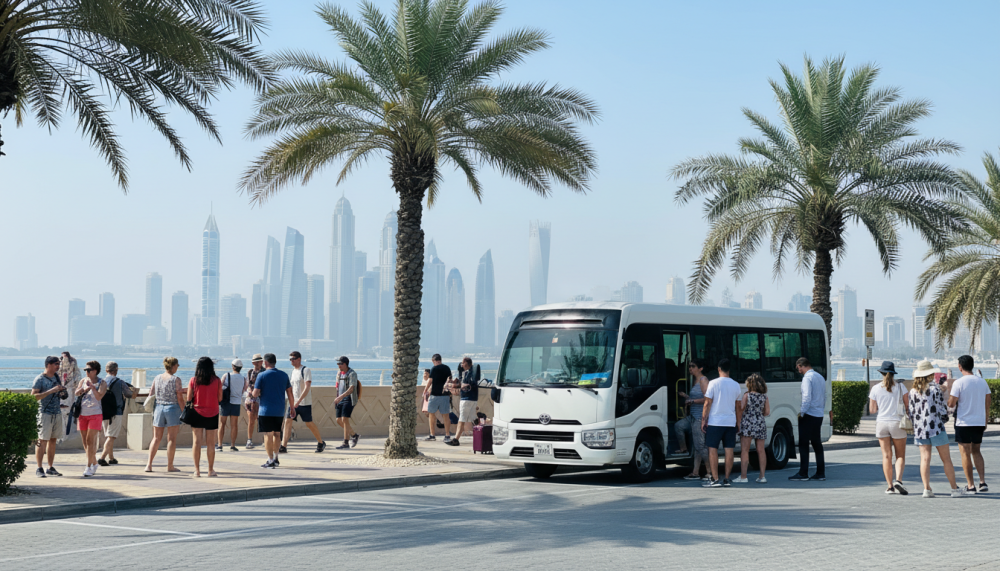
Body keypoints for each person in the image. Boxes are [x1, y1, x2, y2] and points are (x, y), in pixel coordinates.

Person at [908, 360, 962, 498]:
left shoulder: (913, 392)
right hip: (936, 427)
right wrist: (945, 418)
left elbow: (911, 412)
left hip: (921, 430)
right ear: (930, 374)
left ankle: (926, 489)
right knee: (946, 459)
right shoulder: (934, 389)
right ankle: (954, 489)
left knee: (925, 459)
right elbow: (941, 409)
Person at [949, 354, 991, 494]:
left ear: (960, 367)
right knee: (976, 451)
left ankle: (970, 485)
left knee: (965, 453)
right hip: (979, 422)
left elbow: (951, 403)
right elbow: (987, 403)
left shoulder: (958, 383)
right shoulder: (982, 382)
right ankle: (982, 482)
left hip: (963, 422)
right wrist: (985, 421)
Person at [868, 361, 909, 494]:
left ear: (881, 373)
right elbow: (908, 406)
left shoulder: (875, 388)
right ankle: (899, 481)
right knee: (900, 455)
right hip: (897, 423)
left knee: (886, 456)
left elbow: (872, 410)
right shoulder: (901, 387)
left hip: (882, 423)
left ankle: (890, 486)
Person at [701, 358, 743, 488]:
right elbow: (738, 407)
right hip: (730, 422)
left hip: (715, 422)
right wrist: (738, 423)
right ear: (729, 370)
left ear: (719, 369)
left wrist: (703, 420)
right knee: (729, 450)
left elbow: (707, 403)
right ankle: (727, 479)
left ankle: (715, 479)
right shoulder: (736, 385)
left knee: (712, 449)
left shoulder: (713, 383)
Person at [253, 353, 294, 468]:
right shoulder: (284, 375)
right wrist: (292, 407)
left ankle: (270, 459)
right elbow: (290, 393)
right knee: (277, 434)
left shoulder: (261, 375)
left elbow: (255, 394)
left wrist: (252, 392)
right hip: (279, 410)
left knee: (268, 435)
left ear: (265, 363)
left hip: (265, 411)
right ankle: (276, 458)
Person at [789, 357, 826, 481]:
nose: (798, 370)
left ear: (801, 365)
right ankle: (820, 473)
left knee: (803, 444)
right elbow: (824, 396)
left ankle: (803, 473)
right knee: (816, 443)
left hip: (809, 414)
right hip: (819, 414)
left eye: (798, 368)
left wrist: (802, 412)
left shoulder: (807, 378)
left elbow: (806, 397)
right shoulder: (820, 377)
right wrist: (821, 409)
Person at [281, 352, 326, 453]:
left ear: (299, 359)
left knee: (309, 423)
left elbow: (307, 387)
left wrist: (299, 401)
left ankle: (320, 442)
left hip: (304, 403)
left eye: (293, 359)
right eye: (290, 359)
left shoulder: (305, 370)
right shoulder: (293, 371)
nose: (291, 361)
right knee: (287, 422)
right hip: (293, 403)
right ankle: (283, 446)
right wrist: (292, 401)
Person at [145, 357, 185, 473]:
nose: (177, 367)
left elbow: (151, 393)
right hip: (172, 408)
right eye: (177, 365)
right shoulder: (176, 379)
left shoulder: (157, 378)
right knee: (171, 438)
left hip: (159, 408)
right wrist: (184, 411)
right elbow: (179, 397)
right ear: (173, 366)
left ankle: (149, 465)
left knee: (156, 438)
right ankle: (170, 466)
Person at [186, 357, 222, 477]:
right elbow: (220, 398)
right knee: (211, 443)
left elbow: (189, 398)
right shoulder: (217, 380)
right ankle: (210, 470)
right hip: (213, 412)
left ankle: (197, 470)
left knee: (196, 442)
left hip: (197, 412)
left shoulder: (193, 380)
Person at [31, 356, 66, 477]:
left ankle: (50, 467)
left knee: (53, 440)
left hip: (57, 413)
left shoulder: (56, 377)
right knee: (42, 440)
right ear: (49, 365)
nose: (58, 366)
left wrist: (61, 391)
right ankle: (39, 468)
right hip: (44, 413)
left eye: (59, 364)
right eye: (56, 364)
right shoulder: (39, 379)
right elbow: (34, 396)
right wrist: (51, 391)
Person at [675, 358, 710, 480]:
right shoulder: (694, 380)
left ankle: (710, 472)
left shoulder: (703, 380)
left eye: (693, 366)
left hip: (700, 417)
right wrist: (687, 397)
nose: (690, 368)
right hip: (692, 416)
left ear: (700, 368)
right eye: (689, 366)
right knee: (679, 426)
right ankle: (694, 470)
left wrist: (692, 401)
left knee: (700, 446)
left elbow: (707, 399)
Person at [75, 361, 107, 477]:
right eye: (86, 370)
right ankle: (94, 462)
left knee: (90, 441)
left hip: (95, 414)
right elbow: (76, 393)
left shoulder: (102, 383)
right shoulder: (83, 381)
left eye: (89, 370)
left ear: (95, 371)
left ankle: (88, 466)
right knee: (85, 442)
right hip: (83, 414)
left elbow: (99, 397)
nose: (87, 372)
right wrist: (84, 390)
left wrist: (93, 388)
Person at [736, 373, 770, 484]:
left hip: (748, 423)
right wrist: (758, 414)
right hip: (760, 423)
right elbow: (767, 412)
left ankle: (743, 477)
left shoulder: (747, 395)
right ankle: (762, 476)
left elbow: (741, 408)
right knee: (761, 450)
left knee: (745, 450)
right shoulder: (764, 396)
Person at [98, 361, 132, 466]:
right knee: (111, 436)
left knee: (108, 435)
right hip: (116, 411)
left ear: (106, 370)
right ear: (116, 370)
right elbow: (128, 394)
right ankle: (102, 458)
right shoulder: (120, 382)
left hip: (104, 411)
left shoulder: (101, 381)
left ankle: (111, 458)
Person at [447, 357, 478, 446]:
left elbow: (465, 385)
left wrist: (454, 385)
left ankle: (456, 439)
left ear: (467, 363)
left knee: (461, 419)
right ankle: (483, 432)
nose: (461, 365)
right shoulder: (469, 373)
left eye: (463, 363)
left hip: (467, 399)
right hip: (471, 399)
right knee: (474, 419)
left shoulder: (470, 374)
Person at [217, 359, 246, 452]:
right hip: (236, 403)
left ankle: (220, 445)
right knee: (234, 425)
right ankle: (233, 445)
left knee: (222, 424)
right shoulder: (243, 378)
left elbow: (219, 387)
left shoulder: (226, 375)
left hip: (225, 402)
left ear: (233, 366)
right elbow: (243, 390)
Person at [424, 354, 452, 442]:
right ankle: (447, 435)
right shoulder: (447, 368)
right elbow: (450, 379)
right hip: (445, 395)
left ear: (433, 361)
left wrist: (425, 390)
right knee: (446, 416)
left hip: (435, 395)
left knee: (431, 415)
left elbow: (430, 381)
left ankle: (432, 435)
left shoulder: (434, 368)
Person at [333, 356, 359, 450]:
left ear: (345, 364)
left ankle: (346, 442)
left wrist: (341, 397)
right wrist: (338, 397)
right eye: (338, 364)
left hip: (349, 398)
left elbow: (351, 388)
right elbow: (337, 386)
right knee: (338, 420)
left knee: (344, 419)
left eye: (340, 363)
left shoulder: (352, 374)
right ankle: (354, 435)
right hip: (339, 399)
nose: (339, 365)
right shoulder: (339, 373)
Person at [57, 351, 81, 443]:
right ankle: (61, 437)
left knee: (67, 415)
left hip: (69, 396)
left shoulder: (74, 371)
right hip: (61, 396)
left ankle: (63, 437)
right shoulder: (58, 372)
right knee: (62, 416)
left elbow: (77, 385)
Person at [244, 354, 264, 449]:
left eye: (259, 361)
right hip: (251, 399)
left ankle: (265, 440)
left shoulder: (264, 372)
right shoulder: (250, 372)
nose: (258, 363)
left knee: (262, 420)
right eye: (256, 361)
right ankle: (249, 440)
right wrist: (251, 392)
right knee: (251, 420)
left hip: (262, 398)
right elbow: (248, 384)